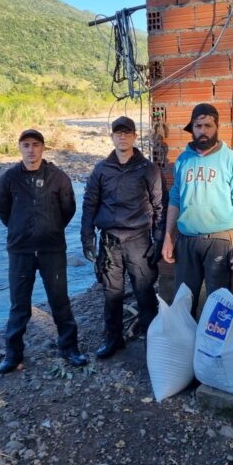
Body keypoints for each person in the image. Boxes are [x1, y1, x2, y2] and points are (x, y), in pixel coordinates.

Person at [0, 129, 88, 373]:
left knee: (60, 301)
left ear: (43, 148)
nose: (31, 150)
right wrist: (19, 229)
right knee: (19, 304)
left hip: (52, 249)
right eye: (26, 145)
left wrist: (51, 229)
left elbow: (68, 209)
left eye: (35, 145)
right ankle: (13, 355)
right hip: (20, 251)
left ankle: (70, 348)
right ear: (20, 148)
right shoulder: (9, 178)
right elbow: (3, 210)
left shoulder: (58, 177)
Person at [81, 116, 166, 359]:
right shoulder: (101, 169)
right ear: (111, 136)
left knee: (144, 293)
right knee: (111, 293)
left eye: (127, 132)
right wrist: (87, 237)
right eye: (118, 133)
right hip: (109, 242)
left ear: (134, 136)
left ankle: (154, 343)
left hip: (139, 240)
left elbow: (160, 205)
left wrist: (158, 240)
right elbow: (90, 204)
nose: (122, 136)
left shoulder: (147, 169)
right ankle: (113, 339)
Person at [162, 103, 233, 317]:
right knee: (183, 302)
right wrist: (169, 237)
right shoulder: (183, 161)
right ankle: (186, 345)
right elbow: (175, 200)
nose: (203, 131)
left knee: (220, 304)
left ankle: (217, 348)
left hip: (219, 241)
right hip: (186, 241)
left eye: (208, 125)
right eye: (198, 126)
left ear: (217, 127)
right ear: (192, 128)